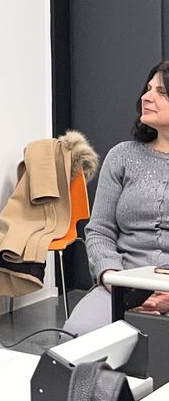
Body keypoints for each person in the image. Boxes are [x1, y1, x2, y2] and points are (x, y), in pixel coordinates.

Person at [64, 60, 169, 335]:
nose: (146, 97)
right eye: (148, 89)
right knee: (77, 334)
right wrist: (116, 281)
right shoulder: (122, 156)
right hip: (122, 282)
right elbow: (99, 231)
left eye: (161, 92)